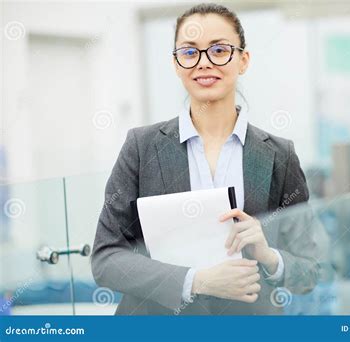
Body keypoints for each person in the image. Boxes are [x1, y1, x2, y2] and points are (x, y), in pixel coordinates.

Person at [91, 3, 319, 315]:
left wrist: (268, 255)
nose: (204, 63)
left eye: (219, 50)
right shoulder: (141, 147)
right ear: (176, 64)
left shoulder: (280, 155)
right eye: (189, 52)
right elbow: (106, 258)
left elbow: (310, 271)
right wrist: (194, 281)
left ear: (243, 60)